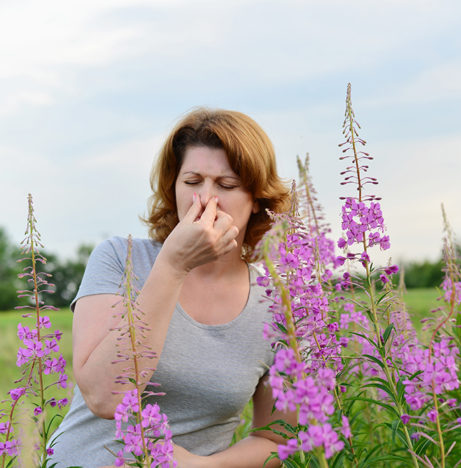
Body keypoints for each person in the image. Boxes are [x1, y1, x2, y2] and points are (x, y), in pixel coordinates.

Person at [50, 109, 293, 467]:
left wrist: (204, 466)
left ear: (257, 198)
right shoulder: (119, 259)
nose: (205, 200)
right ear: (173, 186)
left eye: (226, 185)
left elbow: (278, 439)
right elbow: (105, 399)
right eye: (192, 181)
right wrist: (173, 266)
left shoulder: (277, 304)